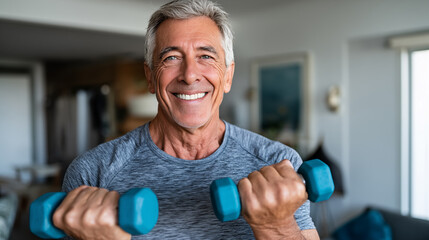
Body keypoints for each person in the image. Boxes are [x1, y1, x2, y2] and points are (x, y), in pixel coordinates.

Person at [52, 0, 319, 239]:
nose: (189, 75)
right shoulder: (92, 173)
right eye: (171, 57)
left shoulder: (281, 165)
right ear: (150, 77)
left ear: (227, 76)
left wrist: (277, 227)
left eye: (205, 56)